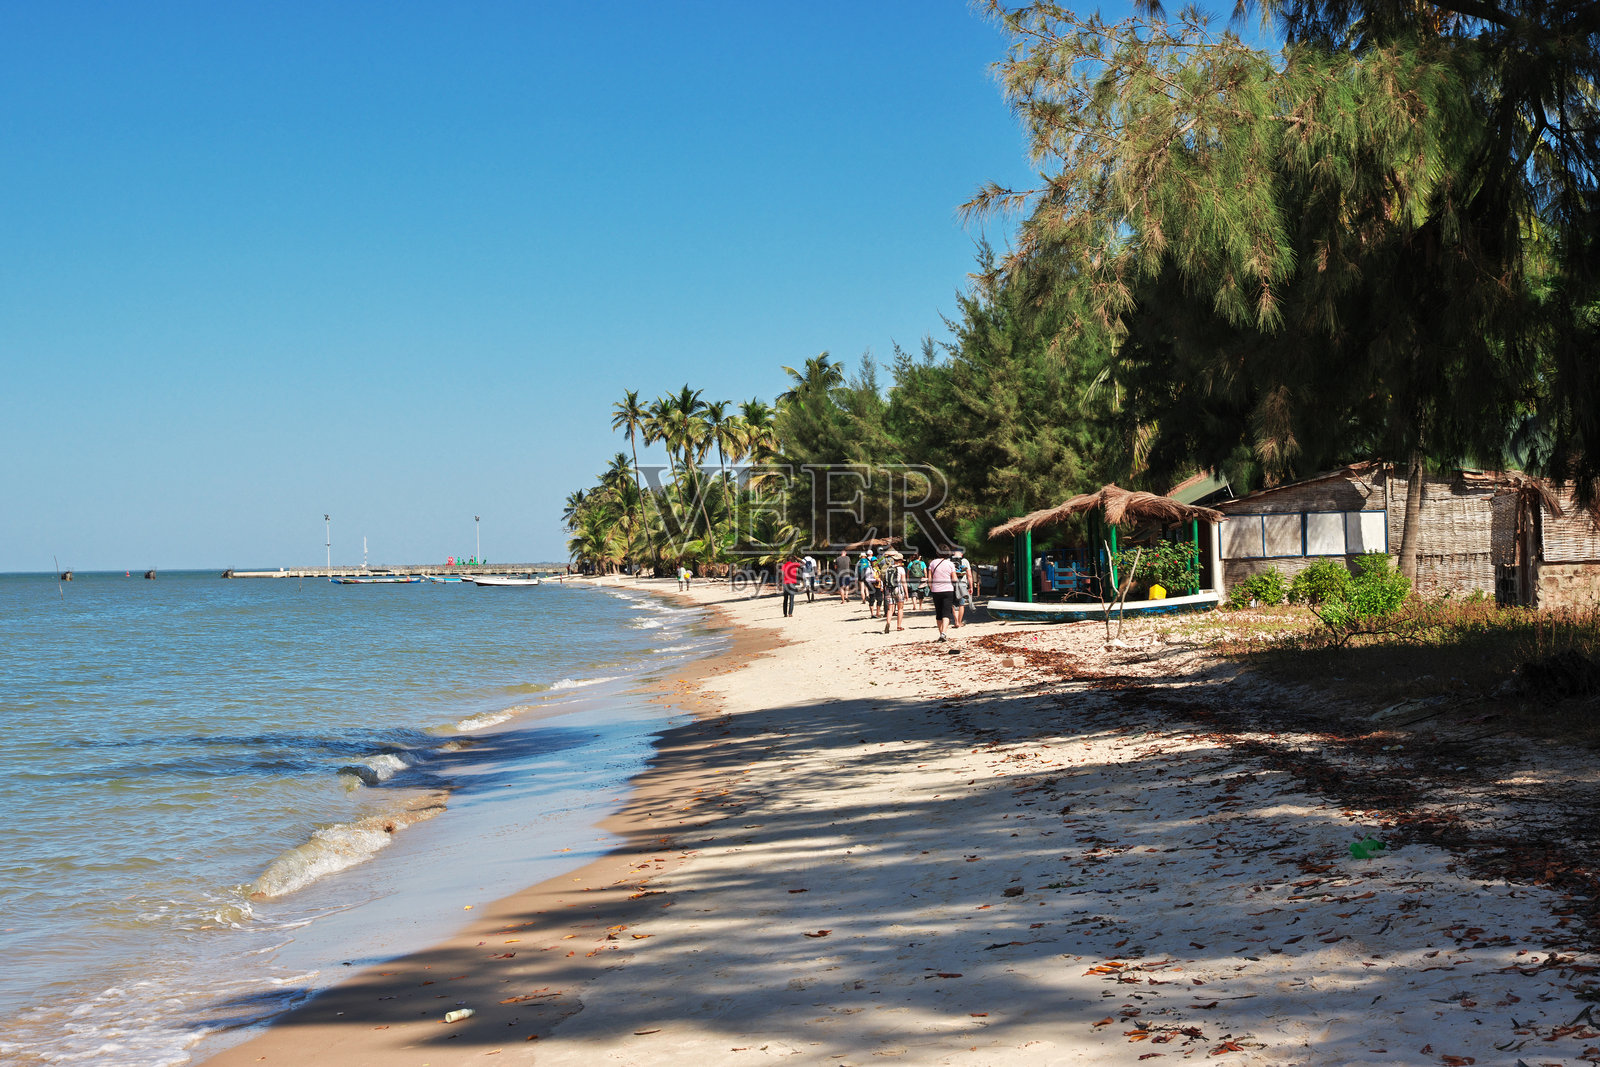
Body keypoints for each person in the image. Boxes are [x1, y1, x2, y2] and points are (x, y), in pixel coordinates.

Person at [927, 547, 959, 642]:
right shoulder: (950, 564)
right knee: (946, 612)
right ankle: (944, 633)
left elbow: (929, 578)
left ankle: (941, 633)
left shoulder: (932, 563)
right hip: (948, 590)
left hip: (936, 590)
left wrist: (931, 587)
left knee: (939, 613)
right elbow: (954, 579)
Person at [880, 550, 907, 633]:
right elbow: (904, 582)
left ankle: (888, 623)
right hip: (898, 589)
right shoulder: (901, 569)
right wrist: (906, 593)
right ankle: (899, 626)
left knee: (890, 609)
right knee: (900, 608)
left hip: (889, 589)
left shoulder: (888, 568)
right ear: (900, 561)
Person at [951, 548, 977, 627]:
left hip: (952, 584)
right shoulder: (965, 561)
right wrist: (971, 586)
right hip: (962, 584)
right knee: (961, 603)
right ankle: (960, 622)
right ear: (962, 554)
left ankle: (956, 622)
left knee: (953, 604)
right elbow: (969, 575)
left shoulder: (949, 561)